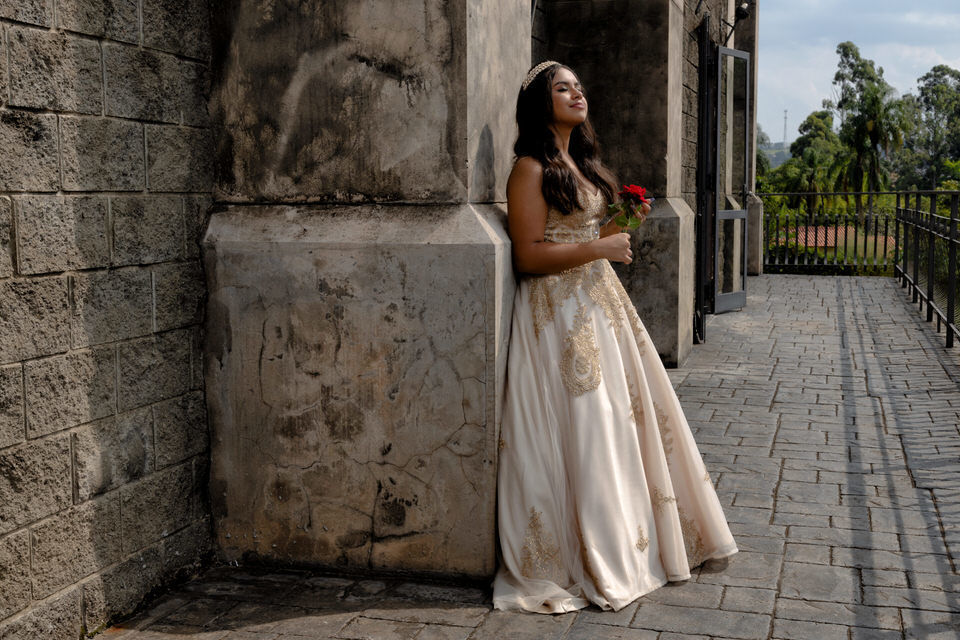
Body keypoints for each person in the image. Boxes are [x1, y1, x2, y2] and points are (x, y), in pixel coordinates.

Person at [491, 61, 738, 614]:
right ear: (540, 102)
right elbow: (528, 255)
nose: (576, 93)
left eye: (579, 85)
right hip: (557, 316)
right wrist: (599, 247)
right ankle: (595, 550)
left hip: (601, 308)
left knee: (623, 423)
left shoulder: (580, 164)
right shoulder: (529, 169)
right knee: (590, 427)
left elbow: (580, 235)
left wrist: (618, 224)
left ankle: (637, 541)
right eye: (562, 88)